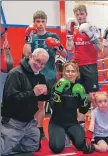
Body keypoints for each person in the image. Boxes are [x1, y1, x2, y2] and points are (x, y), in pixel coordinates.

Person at [23, 10, 67, 140]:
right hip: (35, 76)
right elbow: (26, 54)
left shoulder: (53, 35)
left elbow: (65, 54)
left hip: (50, 76)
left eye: (43, 21)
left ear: (46, 22)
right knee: (38, 105)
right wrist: (27, 36)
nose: (40, 24)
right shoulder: (32, 36)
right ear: (34, 23)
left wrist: (58, 45)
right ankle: (39, 130)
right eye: (38, 21)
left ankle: (58, 128)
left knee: (55, 104)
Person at [1, 48, 49, 156]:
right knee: (2, 151)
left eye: (43, 64)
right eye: (37, 61)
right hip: (12, 121)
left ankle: (12, 142)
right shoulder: (15, 73)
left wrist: (46, 92)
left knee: (33, 146)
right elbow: (10, 99)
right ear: (30, 57)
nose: (39, 65)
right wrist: (32, 93)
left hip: (29, 122)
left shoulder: (40, 76)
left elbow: (43, 98)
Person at [66, 4, 102, 128]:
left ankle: (99, 123)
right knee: (77, 95)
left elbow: (100, 48)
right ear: (75, 16)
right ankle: (80, 125)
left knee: (92, 96)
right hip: (77, 66)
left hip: (90, 65)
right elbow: (69, 48)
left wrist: (92, 37)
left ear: (86, 14)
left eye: (82, 14)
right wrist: (69, 34)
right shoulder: (74, 30)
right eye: (77, 14)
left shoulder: (93, 28)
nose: (80, 16)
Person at [48, 61, 94, 154]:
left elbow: (83, 111)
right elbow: (54, 107)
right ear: (64, 73)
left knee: (81, 145)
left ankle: (69, 135)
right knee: (56, 148)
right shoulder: (57, 86)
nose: (70, 74)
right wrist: (58, 93)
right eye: (67, 71)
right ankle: (61, 135)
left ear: (77, 73)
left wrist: (83, 99)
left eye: (73, 71)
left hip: (72, 123)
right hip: (57, 123)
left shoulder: (79, 88)